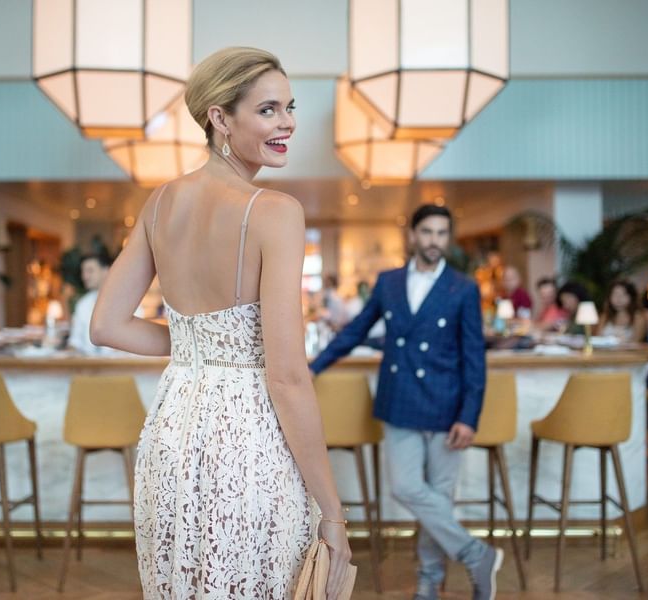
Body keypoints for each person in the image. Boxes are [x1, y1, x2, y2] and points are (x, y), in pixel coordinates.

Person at [89, 47, 352, 598]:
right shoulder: (275, 212)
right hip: (248, 437)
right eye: (268, 110)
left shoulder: (160, 203)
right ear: (219, 117)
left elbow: (108, 325)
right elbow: (286, 377)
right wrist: (333, 513)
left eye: (289, 107)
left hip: (173, 429)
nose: (288, 124)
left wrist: (196, 346)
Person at [311, 204, 501, 600]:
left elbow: (474, 359)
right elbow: (356, 331)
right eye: (427, 232)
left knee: (438, 498)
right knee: (407, 487)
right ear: (414, 236)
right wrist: (314, 367)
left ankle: (428, 583)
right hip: (399, 403)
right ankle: (475, 553)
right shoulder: (389, 282)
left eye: (441, 234)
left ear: (447, 238)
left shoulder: (463, 288)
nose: (434, 241)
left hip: (448, 408)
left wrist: (469, 415)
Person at [68, 253, 111, 355]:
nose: (84, 276)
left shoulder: (127, 301)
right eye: (83, 271)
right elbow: (75, 342)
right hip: (87, 367)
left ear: (105, 271)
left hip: (119, 367)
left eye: (90, 271)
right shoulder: (82, 304)